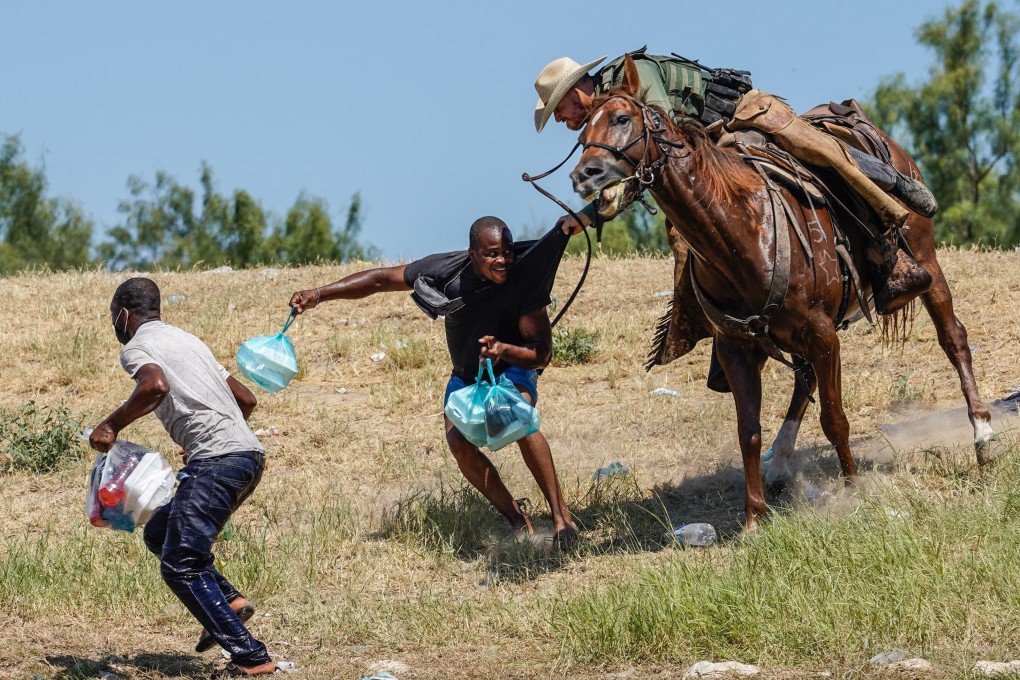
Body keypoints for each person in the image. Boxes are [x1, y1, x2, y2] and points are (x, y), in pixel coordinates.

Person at [533, 49, 939, 387]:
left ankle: (889, 213)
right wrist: (589, 212)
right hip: (706, 153)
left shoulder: (631, 77)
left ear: (577, 90)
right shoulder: (605, 117)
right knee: (689, 236)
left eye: (559, 108)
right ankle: (727, 328)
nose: (560, 120)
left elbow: (660, 145)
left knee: (818, 154)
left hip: (741, 120)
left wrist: (591, 211)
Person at [289, 216, 578, 544]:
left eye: (508, 252)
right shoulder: (446, 270)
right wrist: (319, 294)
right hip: (466, 377)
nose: (503, 261)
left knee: (517, 419)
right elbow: (382, 280)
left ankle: (561, 518)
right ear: (473, 254)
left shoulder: (524, 279)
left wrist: (504, 350)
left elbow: (541, 353)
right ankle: (517, 520)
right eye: (493, 254)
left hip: (511, 368)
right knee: (459, 443)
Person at [89, 277, 275, 678]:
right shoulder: (189, 341)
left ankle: (251, 658)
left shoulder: (138, 346)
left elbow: (154, 385)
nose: (113, 324)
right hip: (247, 457)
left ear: (123, 312)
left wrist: (111, 425)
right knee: (160, 532)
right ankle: (230, 602)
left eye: (112, 315)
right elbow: (246, 399)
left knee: (181, 564)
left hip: (218, 461)